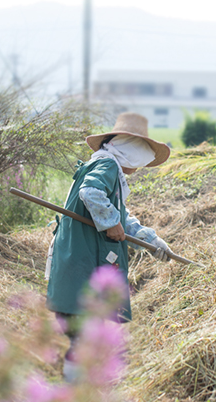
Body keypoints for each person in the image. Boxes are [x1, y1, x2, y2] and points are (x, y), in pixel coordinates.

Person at [45, 112, 172, 381]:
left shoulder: (103, 167)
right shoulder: (108, 167)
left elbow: (122, 217)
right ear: (132, 151)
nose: (138, 168)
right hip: (81, 268)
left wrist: (151, 241)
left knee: (84, 340)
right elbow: (91, 194)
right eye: (141, 158)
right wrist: (110, 222)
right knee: (82, 341)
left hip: (76, 267)